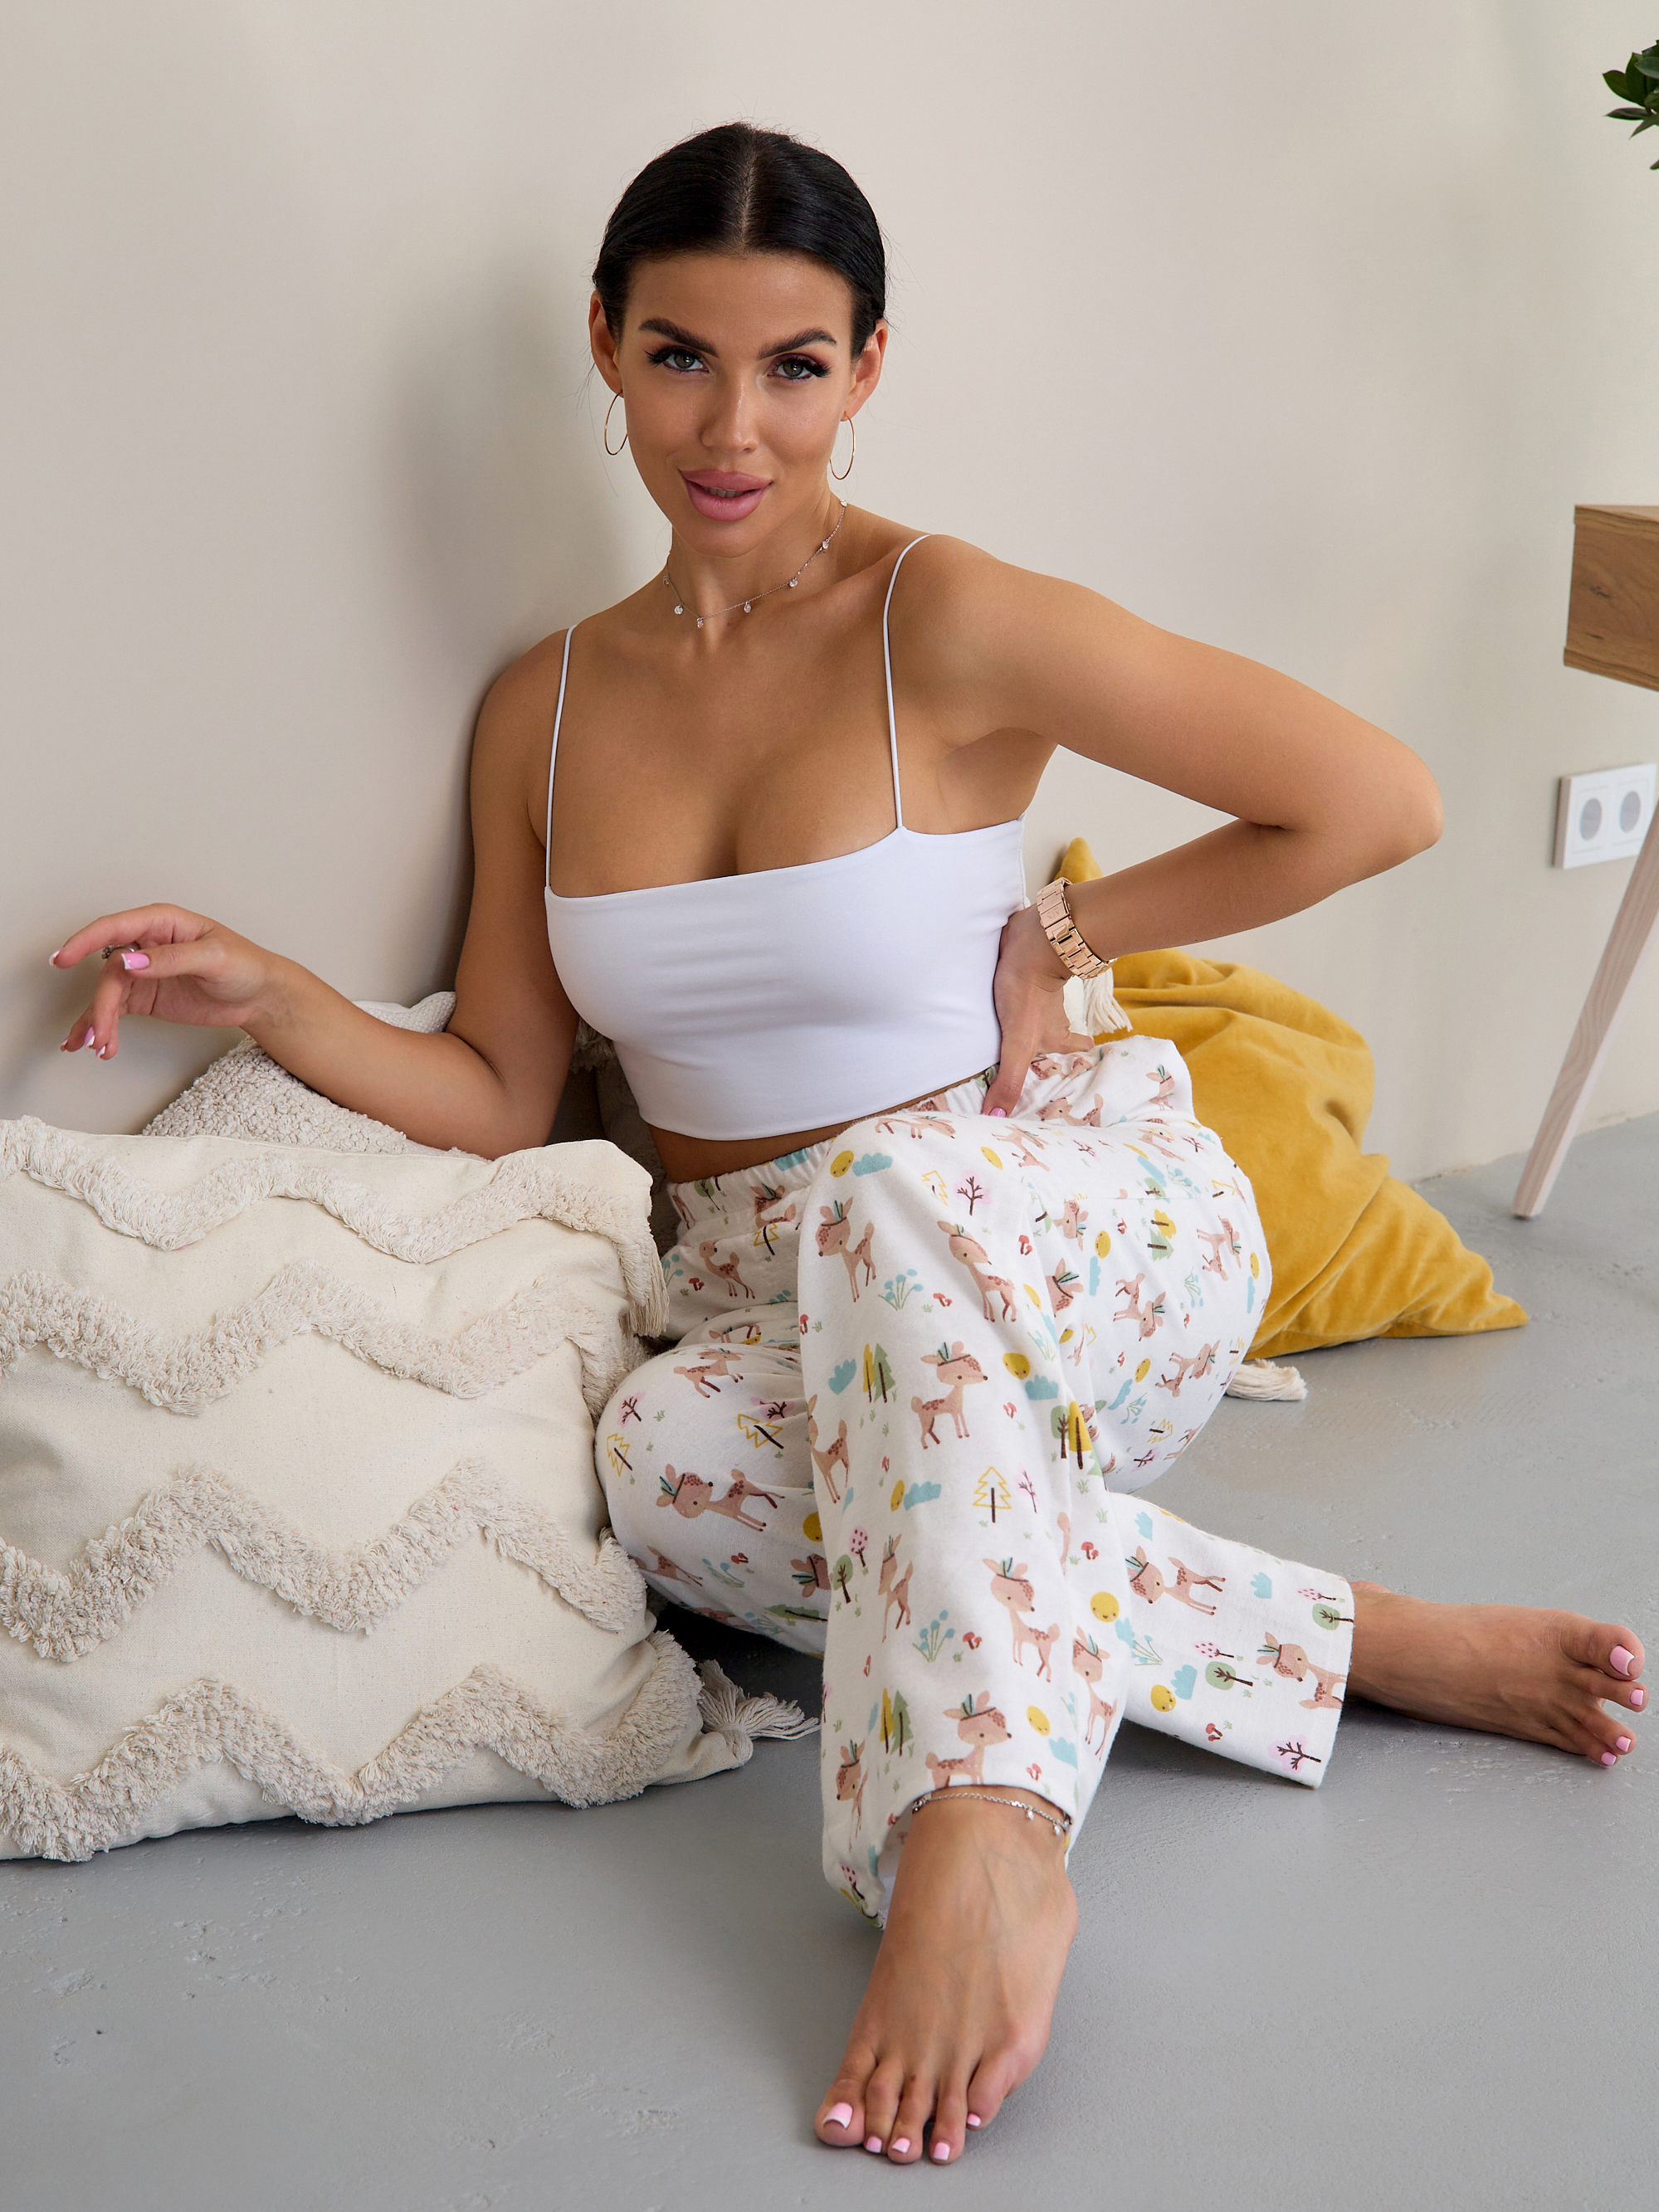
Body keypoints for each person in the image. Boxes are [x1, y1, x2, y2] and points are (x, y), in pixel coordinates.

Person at [51, 122, 1645, 2172]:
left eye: (794, 366)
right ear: (607, 348)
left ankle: (976, 1835)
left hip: (1057, 1228)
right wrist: (274, 992)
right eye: (681, 358)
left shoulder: (939, 613)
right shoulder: (542, 707)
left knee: (890, 1185)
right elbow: (506, 1090)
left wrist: (1063, 932)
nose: (734, 428)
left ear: (868, 366)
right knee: (657, 1463)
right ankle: (1353, 1634)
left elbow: (1374, 796)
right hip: (795, 1306)